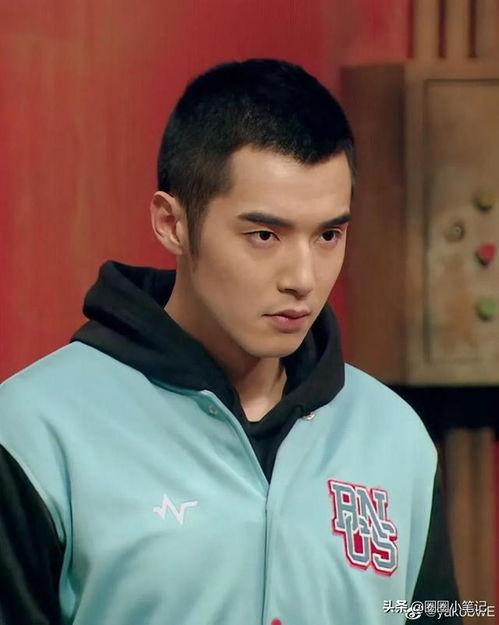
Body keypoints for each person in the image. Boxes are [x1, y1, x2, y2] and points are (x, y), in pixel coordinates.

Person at [0, 58, 461, 625]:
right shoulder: (35, 433)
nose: (303, 278)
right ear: (172, 223)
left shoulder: (395, 438)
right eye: (264, 235)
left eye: (328, 235)